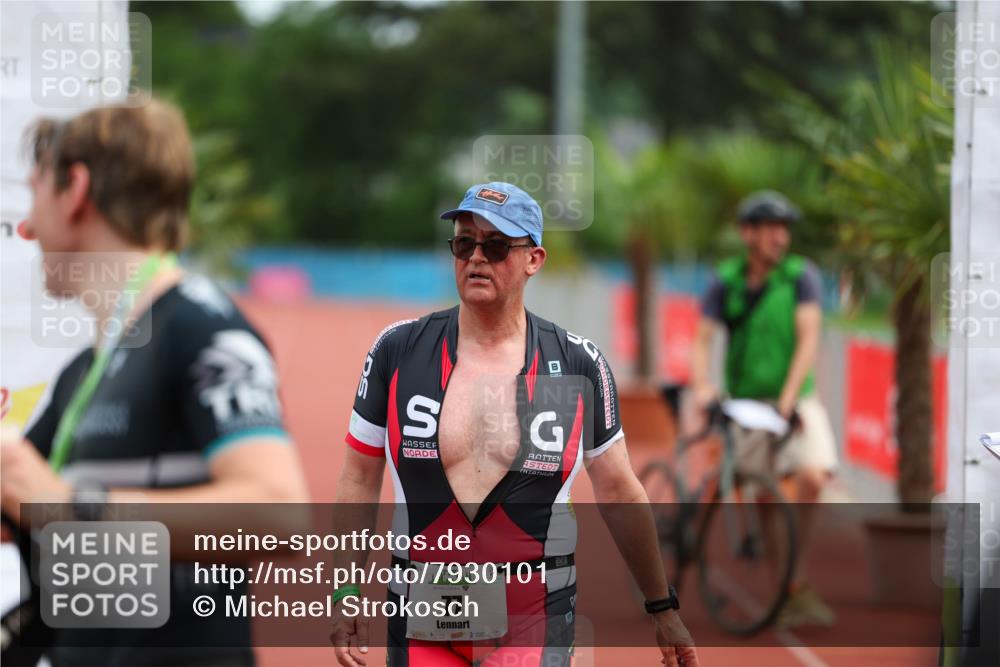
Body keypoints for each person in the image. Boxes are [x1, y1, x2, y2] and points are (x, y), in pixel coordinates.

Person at [330, 182, 699, 667]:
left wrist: (661, 606)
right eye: (465, 243)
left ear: (534, 259)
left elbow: (619, 491)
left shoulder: (574, 365)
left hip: (535, 617)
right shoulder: (399, 351)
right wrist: (346, 591)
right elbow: (359, 476)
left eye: (497, 245)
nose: (477, 258)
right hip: (419, 614)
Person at [0, 98, 309, 666]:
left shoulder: (198, 323)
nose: (25, 227)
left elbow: (279, 512)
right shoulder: (86, 369)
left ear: (75, 190)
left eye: (35, 195)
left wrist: (72, 508)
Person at [690, 190, 838, 628]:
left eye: (784, 228)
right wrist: (703, 386)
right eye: (771, 227)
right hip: (747, 404)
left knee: (813, 474)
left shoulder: (800, 277)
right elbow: (702, 339)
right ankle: (790, 586)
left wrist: (790, 400)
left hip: (795, 398)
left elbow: (809, 338)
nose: (780, 237)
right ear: (747, 233)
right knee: (763, 493)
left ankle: (794, 572)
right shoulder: (727, 280)